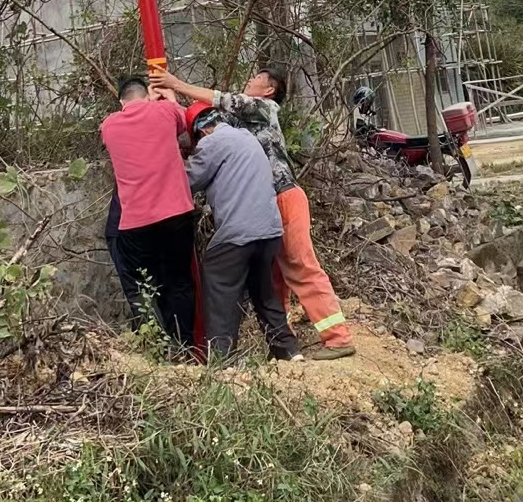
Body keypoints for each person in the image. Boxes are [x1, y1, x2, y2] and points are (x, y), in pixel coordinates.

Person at [150, 65, 355, 359]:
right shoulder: (237, 125)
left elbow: (221, 101)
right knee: (272, 278)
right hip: (265, 204)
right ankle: (285, 347)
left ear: (269, 89)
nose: (249, 79)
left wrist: (176, 83)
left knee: (300, 266)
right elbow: (205, 120)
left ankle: (338, 338)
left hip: (284, 196)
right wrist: (170, 101)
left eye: (256, 78)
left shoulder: (264, 108)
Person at [185, 102, 302, 362]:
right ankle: (289, 351)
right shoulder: (247, 137)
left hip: (239, 233)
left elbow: (189, 180)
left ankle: (222, 360)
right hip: (270, 231)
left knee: (218, 283)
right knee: (263, 291)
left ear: (201, 131)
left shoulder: (211, 142)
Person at [101, 76, 196, 349]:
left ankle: (154, 344)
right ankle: (185, 347)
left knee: (139, 285)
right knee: (178, 282)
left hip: (136, 223)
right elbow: (184, 124)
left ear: (121, 102)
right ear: (146, 94)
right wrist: (166, 100)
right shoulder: (165, 111)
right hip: (177, 214)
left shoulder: (109, 125)